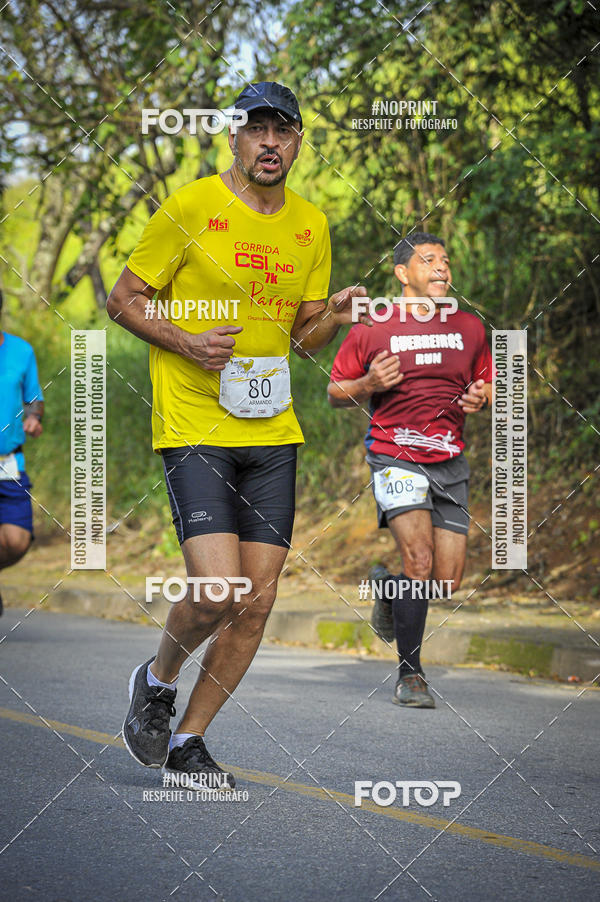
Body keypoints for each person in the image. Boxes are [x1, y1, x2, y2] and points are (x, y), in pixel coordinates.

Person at [107, 82, 369, 783]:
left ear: (298, 143)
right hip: (195, 423)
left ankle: (188, 742)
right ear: (234, 139)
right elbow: (123, 299)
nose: (270, 143)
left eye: (283, 131)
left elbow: (303, 340)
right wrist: (186, 340)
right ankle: (157, 683)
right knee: (219, 591)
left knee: (255, 604)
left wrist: (334, 317)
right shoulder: (191, 206)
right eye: (257, 130)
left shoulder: (310, 224)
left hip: (272, 430)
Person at [328, 233, 493, 708]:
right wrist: (368, 382)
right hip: (395, 456)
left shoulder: (469, 327)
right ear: (402, 274)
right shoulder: (374, 326)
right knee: (419, 563)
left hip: (450, 460)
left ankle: (387, 588)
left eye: (446, 260)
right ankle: (411, 674)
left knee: (447, 580)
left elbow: (488, 385)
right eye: (429, 260)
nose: (442, 267)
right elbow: (336, 392)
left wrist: (482, 396)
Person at [0, 289, 44, 616]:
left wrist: (32, 417)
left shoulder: (21, 351)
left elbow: (33, 398)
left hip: (8, 461)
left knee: (17, 540)